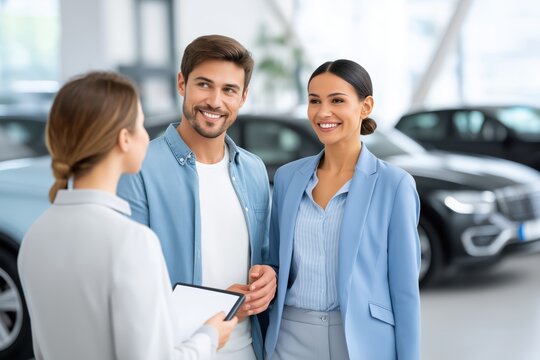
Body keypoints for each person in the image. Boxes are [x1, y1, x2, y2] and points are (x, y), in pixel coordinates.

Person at [17, 71, 238, 360]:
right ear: (124, 139)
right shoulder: (131, 241)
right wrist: (209, 338)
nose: (147, 135)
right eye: (141, 125)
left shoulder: (35, 236)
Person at [117, 35, 276, 360]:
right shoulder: (139, 167)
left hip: (248, 350)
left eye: (229, 90)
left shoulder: (254, 170)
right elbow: (128, 284)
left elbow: (264, 254)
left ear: (243, 97)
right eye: (204, 84)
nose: (216, 101)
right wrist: (219, 304)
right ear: (182, 83)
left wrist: (269, 277)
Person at [265, 59, 421, 360]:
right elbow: (276, 264)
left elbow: (405, 292)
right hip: (289, 336)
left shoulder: (394, 184)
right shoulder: (287, 178)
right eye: (314, 101)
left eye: (337, 100)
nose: (323, 112)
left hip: (362, 342)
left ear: (365, 106)